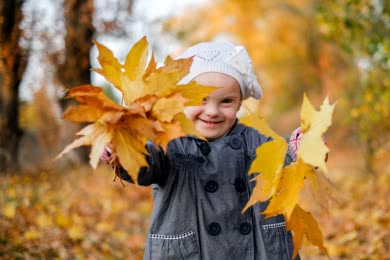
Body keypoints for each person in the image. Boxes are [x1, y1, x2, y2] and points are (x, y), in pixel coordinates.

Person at [102, 42, 300, 259]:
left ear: (239, 103)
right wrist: (122, 150)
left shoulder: (254, 138)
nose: (212, 111)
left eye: (226, 101)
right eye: (200, 99)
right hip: (190, 251)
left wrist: (302, 149)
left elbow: (286, 160)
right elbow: (145, 163)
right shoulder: (169, 140)